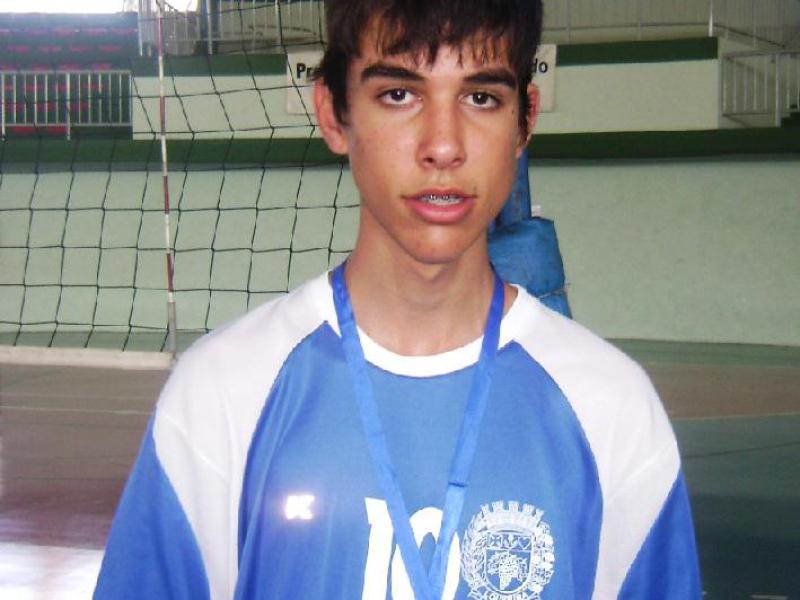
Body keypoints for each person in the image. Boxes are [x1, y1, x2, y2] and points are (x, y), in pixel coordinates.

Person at [94, 0, 701, 598]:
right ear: (334, 114)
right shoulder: (221, 394)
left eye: (481, 97)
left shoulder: (612, 409)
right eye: (399, 94)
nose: (443, 146)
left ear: (524, 122)